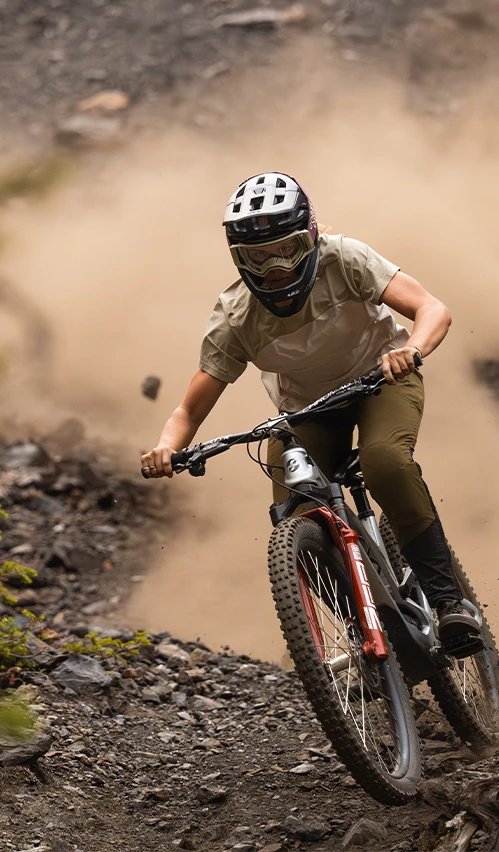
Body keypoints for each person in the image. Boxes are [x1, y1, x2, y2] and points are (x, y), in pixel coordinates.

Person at [141, 172, 481, 656]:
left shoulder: (346, 259)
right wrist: (165, 449)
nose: (276, 267)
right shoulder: (235, 316)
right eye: (257, 257)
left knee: (385, 461)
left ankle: (450, 604)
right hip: (308, 412)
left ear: (312, 236)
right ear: (239, 259)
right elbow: (187, 408)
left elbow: (431, 309)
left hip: (381, 381)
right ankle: (363, 631)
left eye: (288, 248)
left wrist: (412, 350)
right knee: (294, 510)